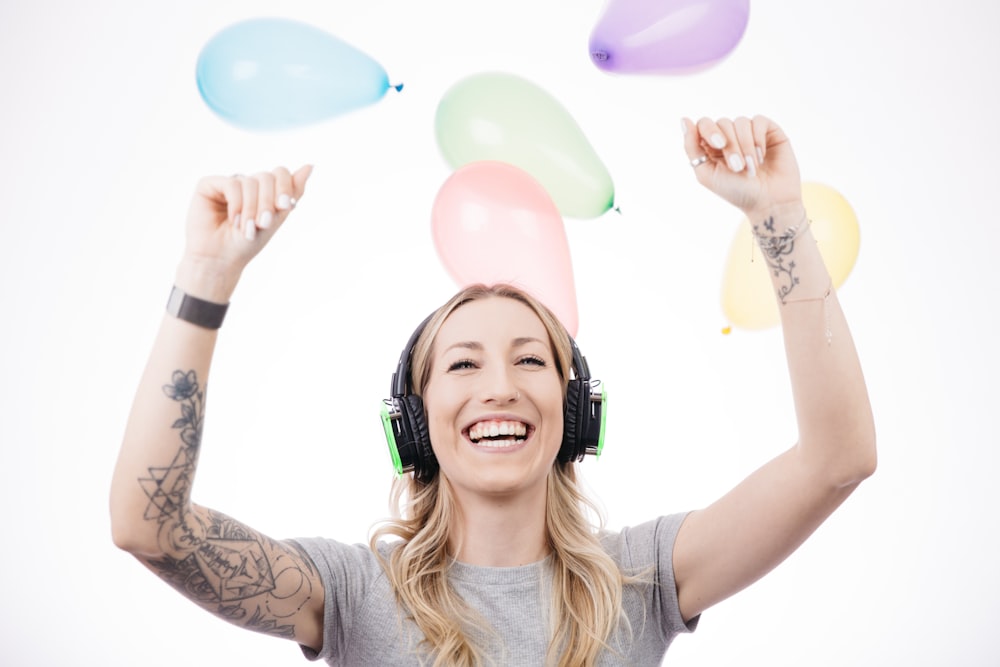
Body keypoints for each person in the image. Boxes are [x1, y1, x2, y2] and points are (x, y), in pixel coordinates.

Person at [110, 115, 876, 666]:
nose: (500, 388)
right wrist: (206, 278)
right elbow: (148, 526)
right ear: (415, 421)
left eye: (531, 361)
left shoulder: (643, 577)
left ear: (576, 413)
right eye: (465, 364)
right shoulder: (349, 592)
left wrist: (776, 215)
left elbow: (838, 458)